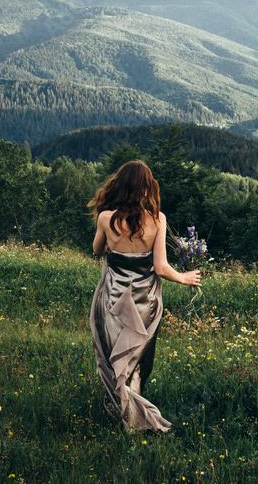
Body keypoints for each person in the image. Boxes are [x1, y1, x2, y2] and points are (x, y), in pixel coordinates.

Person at [87, 160, 203, 432]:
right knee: (136, 359)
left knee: (113, 353)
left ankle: (120, 409)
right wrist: (185, 277)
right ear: (145, 189)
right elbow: (161, 268)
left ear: (120, 185)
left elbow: (96, 250)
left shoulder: (106, 218)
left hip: (113, 297)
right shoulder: (157, 220)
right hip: (143, 301)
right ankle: (132, 419)